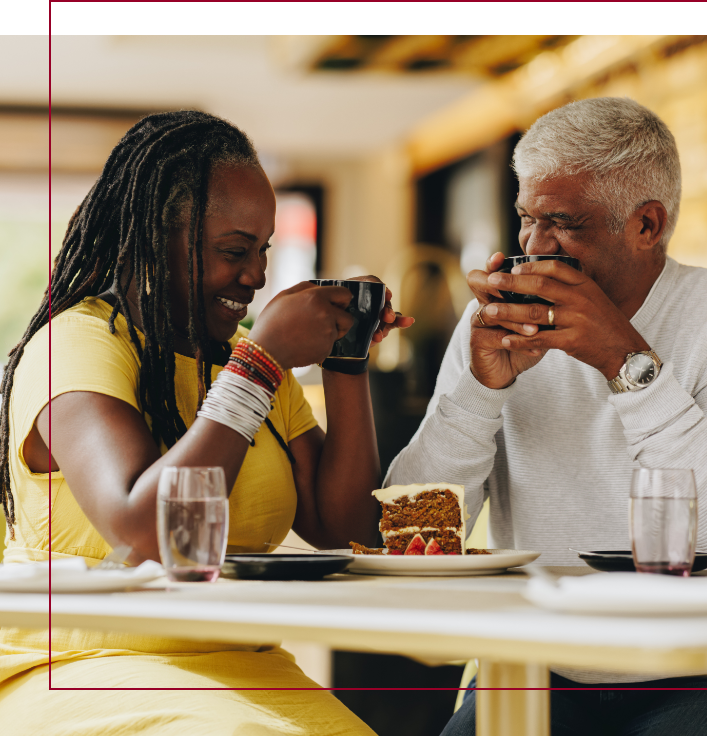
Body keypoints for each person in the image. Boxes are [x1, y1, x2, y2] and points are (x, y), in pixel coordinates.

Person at [0, 110, 413, 735]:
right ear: (152, 241)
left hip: (244, 664)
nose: (257, 276)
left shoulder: (242, 362)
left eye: (263, 250)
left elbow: (344, 526)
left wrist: (346, 359)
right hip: (85, 661)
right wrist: (261, 362)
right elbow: (148, 533)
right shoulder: (77, 343)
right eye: (233, 251)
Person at [383, 98, 707, 734]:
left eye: (563, 223)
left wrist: (627, 363)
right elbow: (414, 537)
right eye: (526, 219)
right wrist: (477, 392)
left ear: (647, 226)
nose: (534, 246)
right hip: (537, 671)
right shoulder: (493, 324)